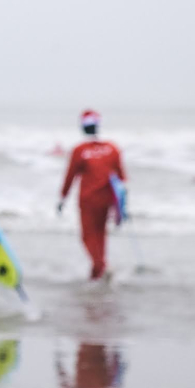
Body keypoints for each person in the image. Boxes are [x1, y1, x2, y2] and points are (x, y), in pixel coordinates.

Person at [58, 110, 126, 281]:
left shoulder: (80, 150)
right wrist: (122, 206)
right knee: (101, 235)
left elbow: (70, 176)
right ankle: (97, 273)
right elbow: (122, 178)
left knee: (88, 236)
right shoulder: (112, 148)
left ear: (83, 127)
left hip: (88, 200)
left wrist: (62, 198)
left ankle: (101, 266)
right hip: (107, 200)